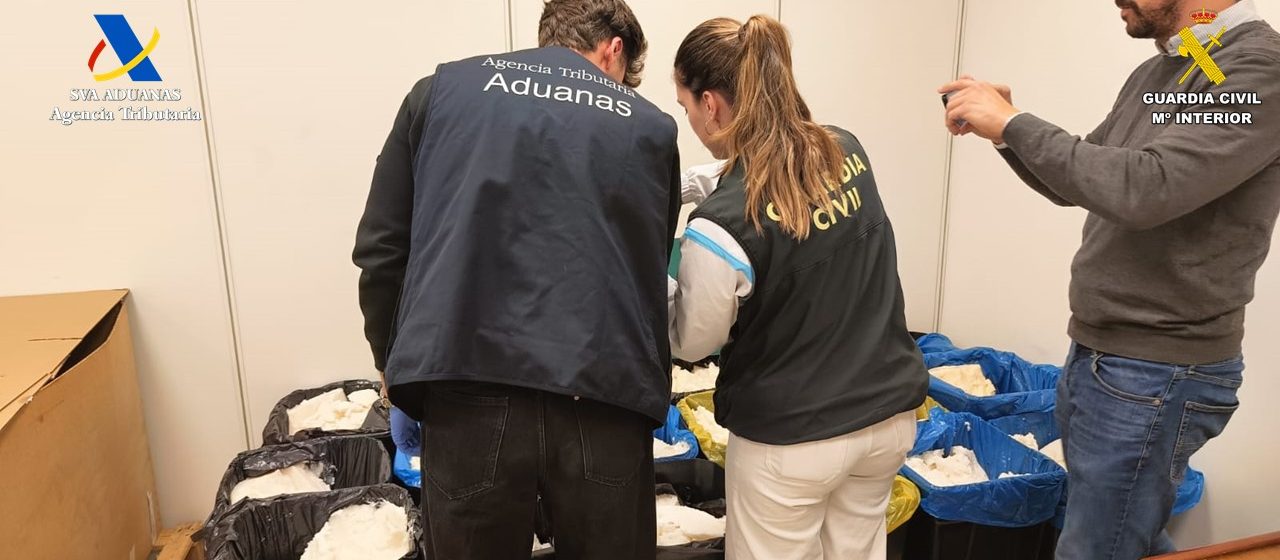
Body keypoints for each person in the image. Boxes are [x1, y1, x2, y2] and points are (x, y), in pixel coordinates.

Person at [940, 1, 1280, 558]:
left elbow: (1145, 190)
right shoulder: (1182, 64)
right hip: (1102, 356)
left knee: (1099, 544)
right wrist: (1004, 132)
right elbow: (1086, 175)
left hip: (1158, 371)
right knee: (1119, 533)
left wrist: (1014, 123)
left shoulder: (1260, 70)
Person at [352, 0, 681, 557]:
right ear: (614, 50)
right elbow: (650, 266)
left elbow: (382, 248)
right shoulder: (650, 126)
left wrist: (394, 364)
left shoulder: (439, 93)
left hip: (466, 389)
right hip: (604, 400)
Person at [668, 15, 930, 560]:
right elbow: (789, 193)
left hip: (792, 442)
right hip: (885, 419)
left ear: (711, 104)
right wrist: (705, 182)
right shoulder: (845, 150)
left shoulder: (720, 227)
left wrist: (657, 277)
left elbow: (693, 343)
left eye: (686, 106)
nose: (689, 118)